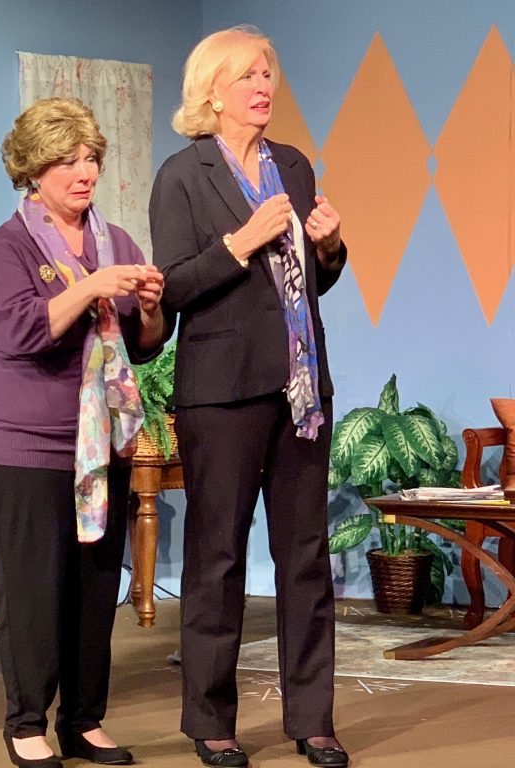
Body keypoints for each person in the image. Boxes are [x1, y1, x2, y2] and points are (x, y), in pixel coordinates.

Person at [149, 25, 349, 768]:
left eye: (268, 74)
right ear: (213, 92)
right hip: (222, 393)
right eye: (248, 76)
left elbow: (307, 284)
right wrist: (239, 243)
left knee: (306, 557)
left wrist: (329, 247)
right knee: (218, 557)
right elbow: (173, 287)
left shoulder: (292, 165)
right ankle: (211, 721)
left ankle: (313, 720)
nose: (264, 87)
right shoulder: (183, 174)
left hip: (300, 387)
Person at [0, 97, 168, 768]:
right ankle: (26, 723)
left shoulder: (117, 241)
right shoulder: (9, 246)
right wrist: (90, 287)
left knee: (93, 585)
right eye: (67, 161)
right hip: (20, 438)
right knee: (32, 589)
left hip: (99, 439)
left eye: (90, 159)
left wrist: (150, 308)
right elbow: (19, 331)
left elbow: (143, 346)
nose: (84, 173)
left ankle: (84, 719)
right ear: (33, 169)